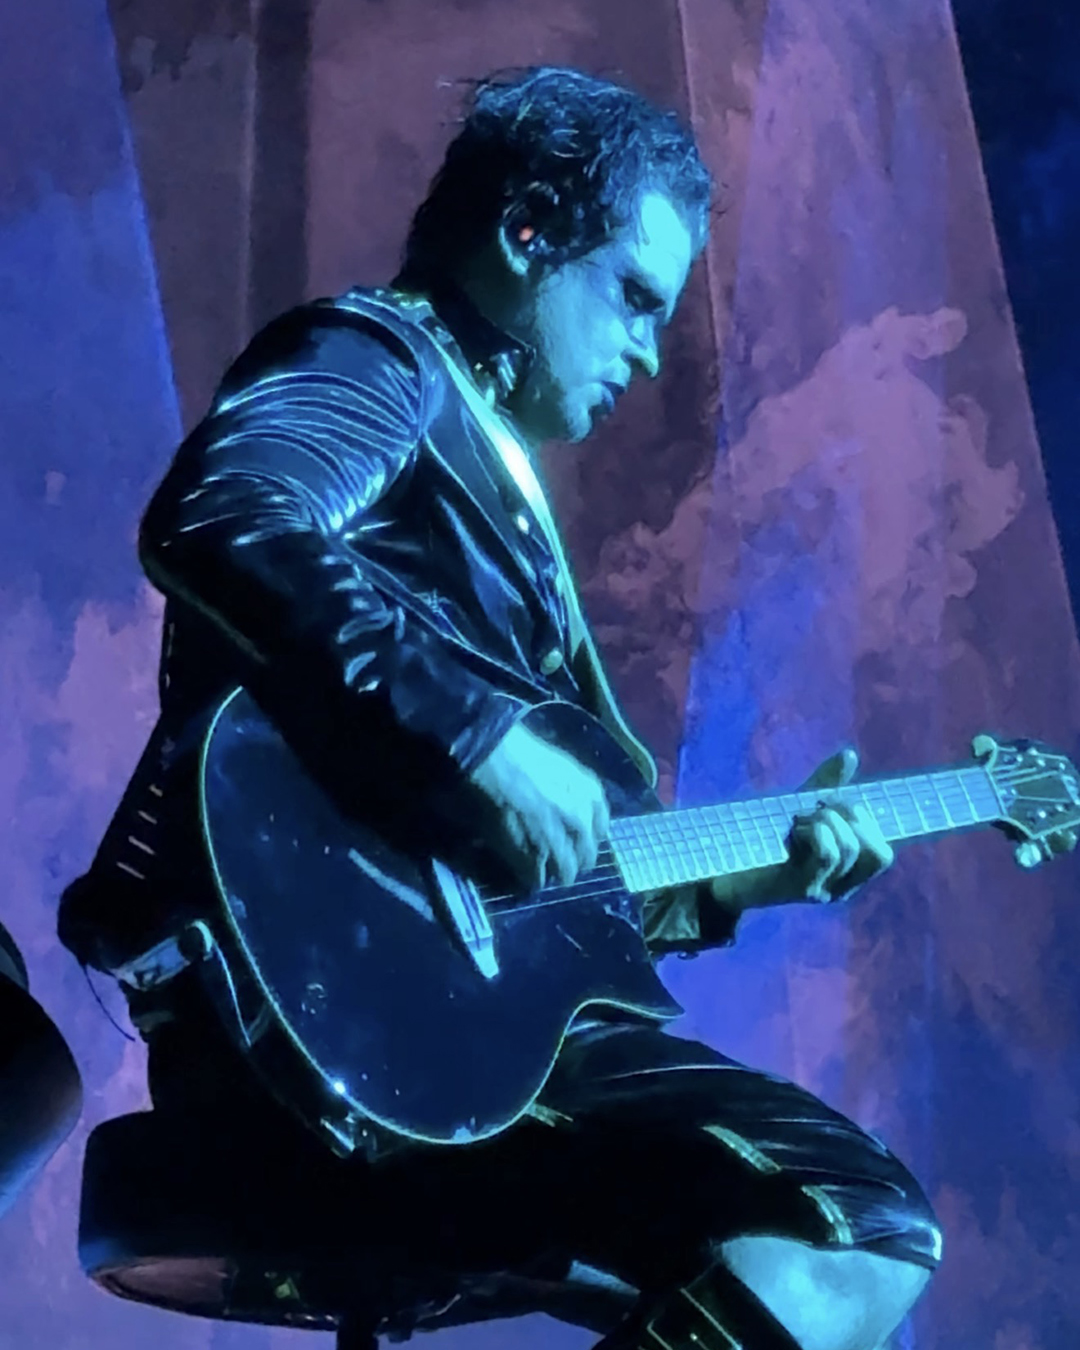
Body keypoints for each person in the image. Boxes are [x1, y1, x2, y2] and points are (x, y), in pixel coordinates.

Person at [58, 66, 942, 1350]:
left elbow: (526, 897)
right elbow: (226, 513)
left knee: (800, 1244)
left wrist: (745, 884)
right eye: (632, 296)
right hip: (312, 1005)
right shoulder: (377, 357)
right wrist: (476, 738)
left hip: (437, 1024)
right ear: (527, 231)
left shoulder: (499, 479)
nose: (649, 352)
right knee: (856, 1221)